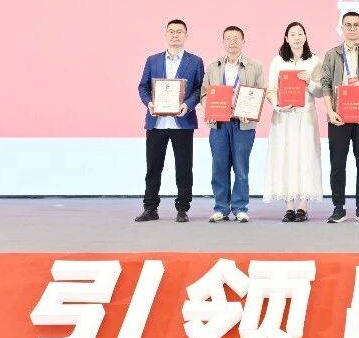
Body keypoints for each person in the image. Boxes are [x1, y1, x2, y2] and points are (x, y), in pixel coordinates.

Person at [313, 11, 359, 224]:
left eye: (356, 25)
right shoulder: (332, 53)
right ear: (342, 27)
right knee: (337, 163)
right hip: (338, 117)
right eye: (348, 25)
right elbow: (325, 83)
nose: (352, 28)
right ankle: (338, 208)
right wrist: (330, 111)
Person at [135, 19, 204, 223]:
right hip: (156, 123)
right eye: (171, 31)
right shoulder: (153, 60)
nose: (175, 35)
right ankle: (150, 208)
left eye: (179, 32)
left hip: (183, 122)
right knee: (153, 167)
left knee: (184, 168)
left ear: (186, 36)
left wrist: (188, 105)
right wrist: (149, 103)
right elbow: (143, 87)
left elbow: (200, 89)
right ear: (166, 34)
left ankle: (182, 208)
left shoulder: (195, 61)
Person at [201, 26, 264, 223]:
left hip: (243, 125)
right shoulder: (213, 66)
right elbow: (204, 93)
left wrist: (250, 113)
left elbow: (259, 92)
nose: (232, 42)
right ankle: (221, 207)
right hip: (219, 125)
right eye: (228, 38)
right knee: (219, 167)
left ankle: (240, 208)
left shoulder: (255, 66)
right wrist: (209, 111)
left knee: (241, 168)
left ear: (243, 42)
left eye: (236, 38)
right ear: (223, 42)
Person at [264, 22, 325, 223]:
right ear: (286, 38)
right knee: (285, 158)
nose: (297, 37)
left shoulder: (315, 61)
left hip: (306, 117)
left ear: (305, 37)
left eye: (300, 34)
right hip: (283, 117)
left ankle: (303, 206)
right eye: (293, 34)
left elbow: (321, 91)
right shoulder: (277, 61)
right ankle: (289, 206)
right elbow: (271, 90)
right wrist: (278, 105)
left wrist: (309, 82)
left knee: (306, 158)